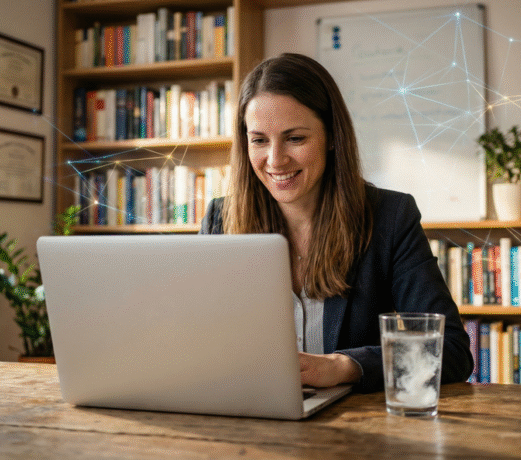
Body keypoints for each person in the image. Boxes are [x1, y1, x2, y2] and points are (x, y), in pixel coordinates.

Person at [200, 53, 473, 393]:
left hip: (353, 428)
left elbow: (452, 351)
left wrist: (345, 366)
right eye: (259, 140)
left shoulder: (390, 217)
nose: (275, 159)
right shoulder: (220, 221)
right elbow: (198, 344)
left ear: (331, 137)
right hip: (250, 417)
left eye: (295, 138)